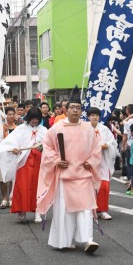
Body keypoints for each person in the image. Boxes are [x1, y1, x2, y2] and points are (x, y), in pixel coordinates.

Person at [37, 86, 101, 254]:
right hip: (65, 176)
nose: (75, 110)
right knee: (66, 210)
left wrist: (91, 161)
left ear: (82, 110)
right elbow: (47, 146)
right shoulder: (57, 128)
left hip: (84, 175)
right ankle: (66, 240)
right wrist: (57, 160)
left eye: (78, 108)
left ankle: (88, 240)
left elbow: (96, 150)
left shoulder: (88, 128)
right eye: (72, 107)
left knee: (86, 208)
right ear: (66, 109)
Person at [0, 107, 47, 223]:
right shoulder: (20, 129)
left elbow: (50, 145)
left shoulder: (44, 130)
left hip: (38, 162)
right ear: (28, 118)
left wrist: (43, 148)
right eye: (32, 118)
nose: (34, 121)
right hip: (24, 162)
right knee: (23, 187)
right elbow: (8, 143)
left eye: (36, 119)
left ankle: (38, 213)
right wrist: (13, 149)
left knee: (37, 187)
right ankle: (22, 211)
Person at [87, 107, 117, 220]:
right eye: (92, 115)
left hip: (103, 161)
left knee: (104, 186)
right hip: (90, 162)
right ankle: (90, 210)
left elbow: (112, 142)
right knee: (90, 187)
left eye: (96, 115)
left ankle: (103, 210)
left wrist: (107, 145)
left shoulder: (104, 129)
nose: (94, 117)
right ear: (88, 116)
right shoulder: (84, 129)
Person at [0, 107, 17, 209]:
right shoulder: (1, 127)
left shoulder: (17, 128)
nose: (11, 116)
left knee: (12, 178)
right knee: (3, 178)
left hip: (13, 155)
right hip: (3, 155)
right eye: (9, 114)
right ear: (5, 115)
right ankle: (4, 198)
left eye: (12, 114)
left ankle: (11, 198)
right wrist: (3, 131)